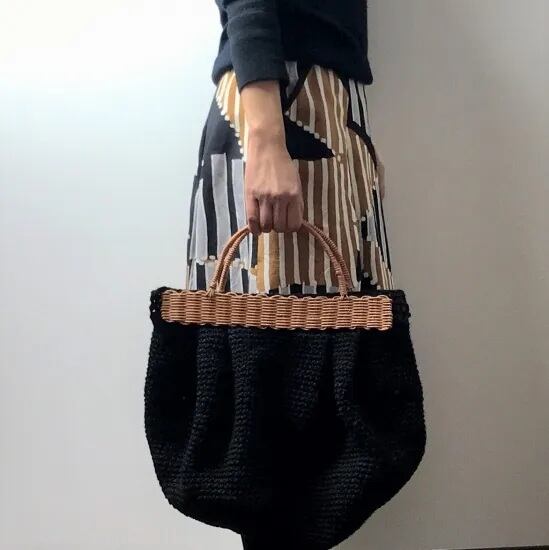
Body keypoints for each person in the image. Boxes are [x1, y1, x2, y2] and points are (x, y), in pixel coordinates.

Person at [185, 0, 394, 296]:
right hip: (283, 101)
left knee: (350, 316)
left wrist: (355, 131)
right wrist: (266, 137)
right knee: (273, 316)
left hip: (333, 108)